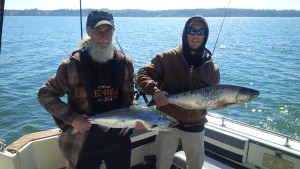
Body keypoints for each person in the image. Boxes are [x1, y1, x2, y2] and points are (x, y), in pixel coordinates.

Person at [38, 10, 144, 169]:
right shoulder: (72, 66)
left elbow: (128, 97)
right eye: (97, 30)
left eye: (108, 30)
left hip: (118, 140)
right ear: (88, 31)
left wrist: (135, 115)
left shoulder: (125, 63)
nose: (103, 35)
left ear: (114, 31)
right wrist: (72, 119)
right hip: (83, 143)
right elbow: (45, 94)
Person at [136, 15, 220, 169]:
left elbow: (212, 99)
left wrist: (218, 104)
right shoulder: (167, 58)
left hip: (196, 126)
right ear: (185, 33)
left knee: (196, 166)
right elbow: (142, 74)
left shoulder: (212, 70)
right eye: (191, 31)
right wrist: (154, 91)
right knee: (162, 165)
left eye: (201, 32)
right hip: (167, 123)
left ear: (205, 36)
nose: (196, 35)